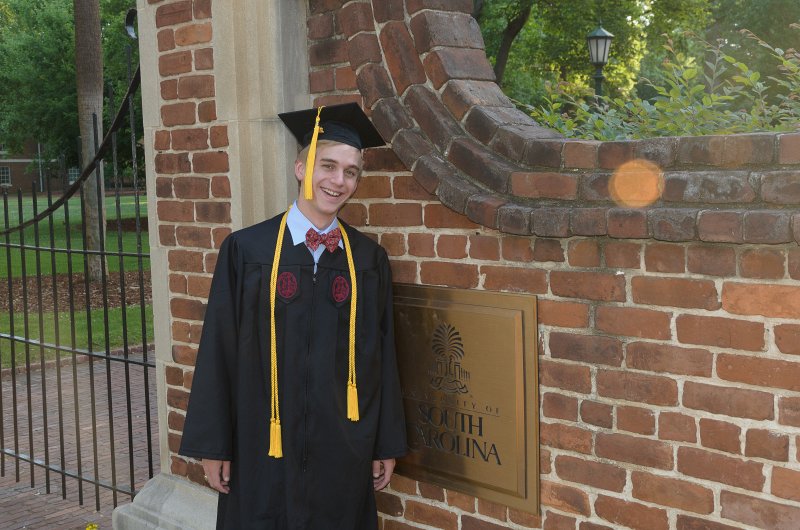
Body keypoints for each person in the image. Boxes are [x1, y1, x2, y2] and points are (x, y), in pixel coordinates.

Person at [179, 103, 407, 529]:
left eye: (351, 171)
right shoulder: (248, 251)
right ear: (301, 168)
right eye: (328, 166)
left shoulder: (367, 260)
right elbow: (218, 350)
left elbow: (383, 357)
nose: (338, 181)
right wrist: (215, 446)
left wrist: (384, 443)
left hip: (341, 448)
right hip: (263, 447)